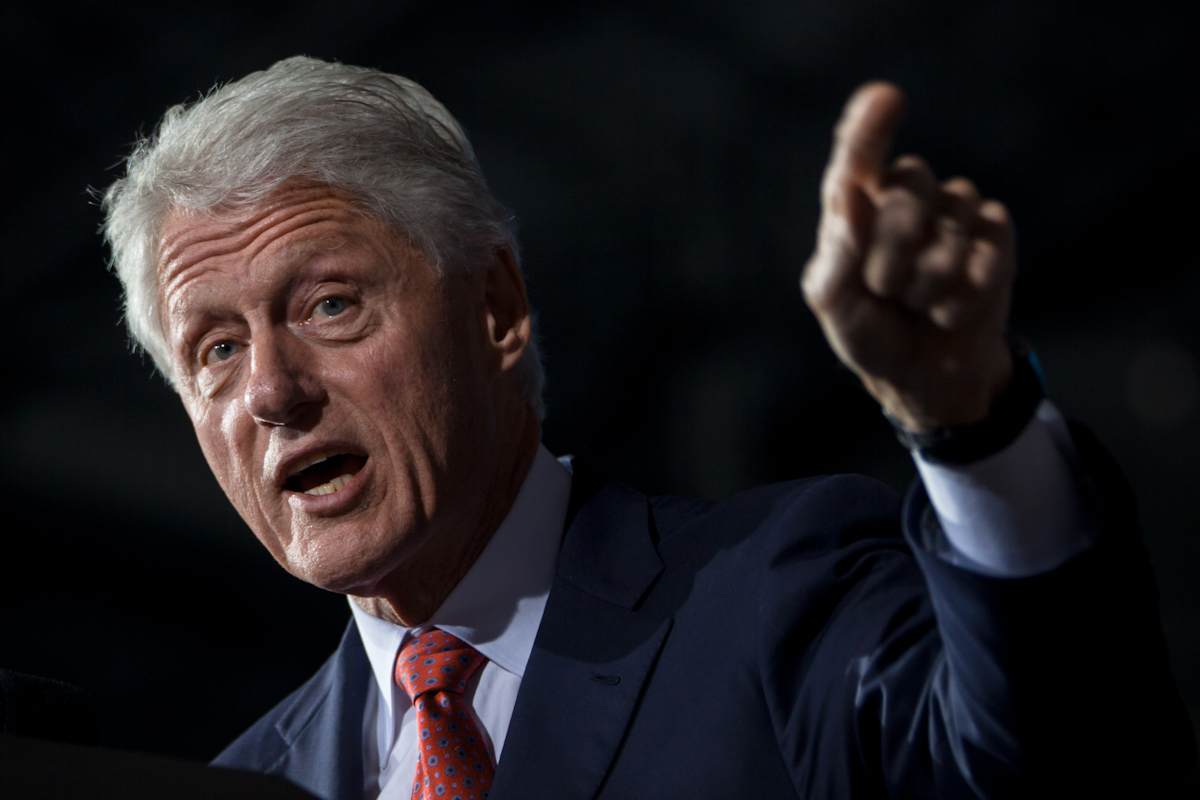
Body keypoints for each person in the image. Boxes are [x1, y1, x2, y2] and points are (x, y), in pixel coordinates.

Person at [101, 57, 1194, 799]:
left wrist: (972, 422)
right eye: (216, 349)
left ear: (496, 309)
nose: (271, 391)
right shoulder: (247, 781)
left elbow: (1065, 762)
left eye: (330, 303)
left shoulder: (777, 595)